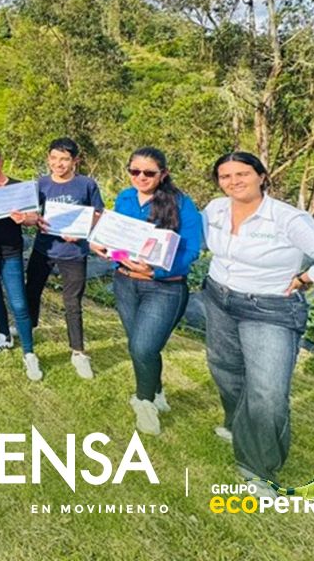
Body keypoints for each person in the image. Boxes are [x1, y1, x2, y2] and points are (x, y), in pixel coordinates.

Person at [202, 151, 314, 487]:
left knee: (268, 392)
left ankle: (258, 471)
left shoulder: (288, 219)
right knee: (225, 370)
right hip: (218, 298)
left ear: (261, 176)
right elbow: (190, 239)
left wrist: (306, 278)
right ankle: (237, 427)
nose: (233, 182)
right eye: (225, 176)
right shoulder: (215, 209)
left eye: (242, 174)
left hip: (269, 308)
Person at [92, 147, 204, 434]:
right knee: (139, 346)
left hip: (164, 289)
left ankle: (144, 402)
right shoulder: (125, 198)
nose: (141, 177)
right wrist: (103, 248)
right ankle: (156, 389)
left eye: (149, 172)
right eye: (134, 171)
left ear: (163, 174)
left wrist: (155, 272)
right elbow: (119, 243)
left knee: (143, 347)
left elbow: (192, 249)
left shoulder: (182, 204)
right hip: (125, 283)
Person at [24, 137, 103, 379]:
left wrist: (82, 231)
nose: (58, 164)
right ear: (48, 158)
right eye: (54, 158)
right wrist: (34, 220)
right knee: (32, 291)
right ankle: (29, 329)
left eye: (65, 159)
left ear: (75, 161)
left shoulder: (86, 185)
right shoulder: (41, 184)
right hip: (44, 249)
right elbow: (31, 212)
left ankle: (78, 352)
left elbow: (99, 214)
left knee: (72, 302)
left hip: (74, 253)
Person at [0, 145, 43, 381]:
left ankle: (29, 353)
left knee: (19, 303)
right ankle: (4, 335)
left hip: (11, 253)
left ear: (0, 161)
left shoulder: (17, 187)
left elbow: (34, 218)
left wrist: (24, 218)